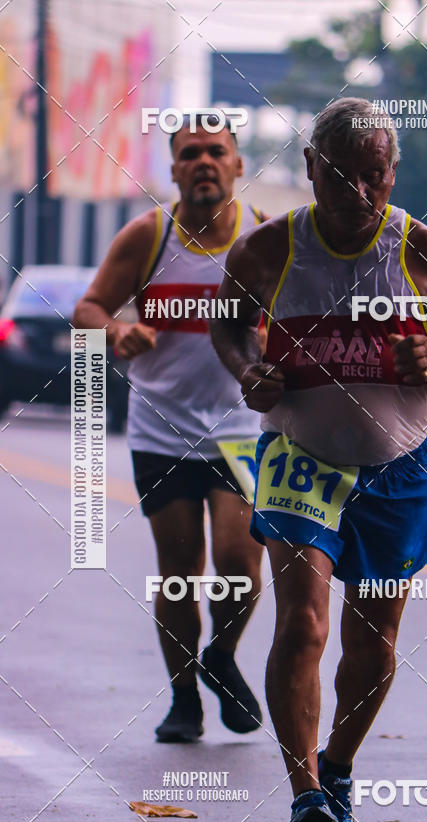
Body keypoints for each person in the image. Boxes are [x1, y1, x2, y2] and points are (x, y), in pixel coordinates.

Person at [211, 97, 427, 822]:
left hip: (397, 466)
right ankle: (305, 798)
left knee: (372, 647)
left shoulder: (422, 253)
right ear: (309, 170)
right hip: (301, 458)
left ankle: (337, 771)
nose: (358, 195)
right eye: (340, 177)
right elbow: (227, 324)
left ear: (393, 174)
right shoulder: (271, 251)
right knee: (303, 622)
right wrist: (250, 371)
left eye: (374, 177)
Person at [74, 114, 266, 742]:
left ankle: (222, 654)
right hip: (161, 432)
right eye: (190, 154)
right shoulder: (149, 236)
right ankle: (185, 700)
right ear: (174, 169)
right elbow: (89, 306)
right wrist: (116, 330)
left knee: (240, 566)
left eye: (217, 152)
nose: (204, 162)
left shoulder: (265, 238)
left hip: (243, 432)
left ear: (237, 164)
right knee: (180, 571)